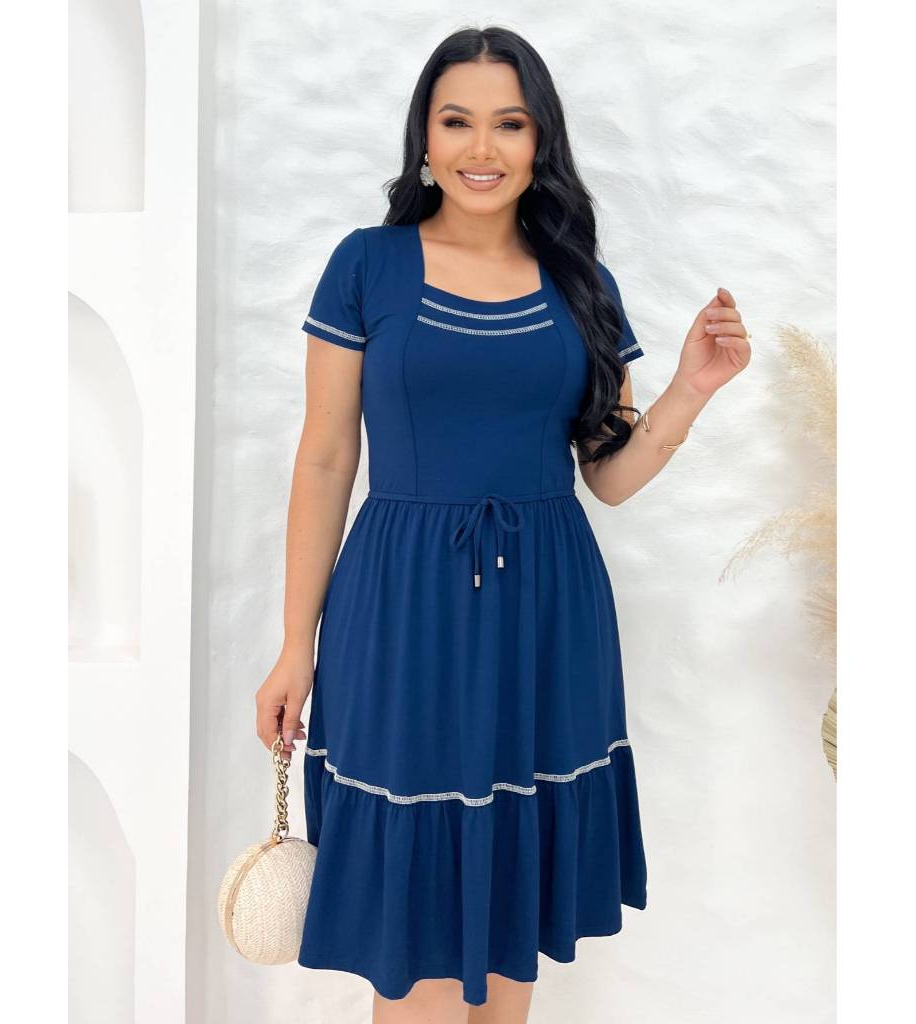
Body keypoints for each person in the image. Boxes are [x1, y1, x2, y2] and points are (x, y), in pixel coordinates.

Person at [256, 25, 749, 1024]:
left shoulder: (582, 284)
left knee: (509, 918)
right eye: (457, 122)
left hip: (546, 614)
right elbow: (325, 458)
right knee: (421, 944)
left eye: (509, 124)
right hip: (400, 610)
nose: (481, 148)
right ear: (424, 140)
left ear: (540, 141)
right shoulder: (367, 265)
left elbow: (609, 476)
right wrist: (294, 645)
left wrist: (690, 392)